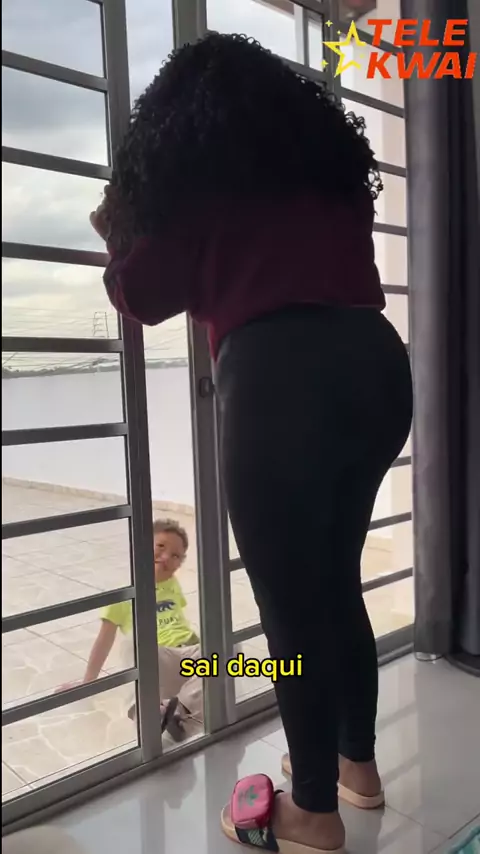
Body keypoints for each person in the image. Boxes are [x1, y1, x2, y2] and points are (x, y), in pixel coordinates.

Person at [89, 33, 413, 854]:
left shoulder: (199, 170)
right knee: (336, 584)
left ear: (181, 115)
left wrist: (115, 233)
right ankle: (357, 767)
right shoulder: (324, 167)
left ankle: (313, 812)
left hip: (278, 376)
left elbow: (145, 295)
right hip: (377, 364)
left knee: (290, 607)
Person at [61, 519, 203, 741]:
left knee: (228, 643)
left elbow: (179, 621)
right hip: (157, 663)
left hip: (190, 656)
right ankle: (147, 717)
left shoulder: (172, 584)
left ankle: (181, 715)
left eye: (176, 556)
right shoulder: (124, 593)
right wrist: (88, 682)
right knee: (132, 642)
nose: (166, 557)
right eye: (160, 546)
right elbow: (104, 640)